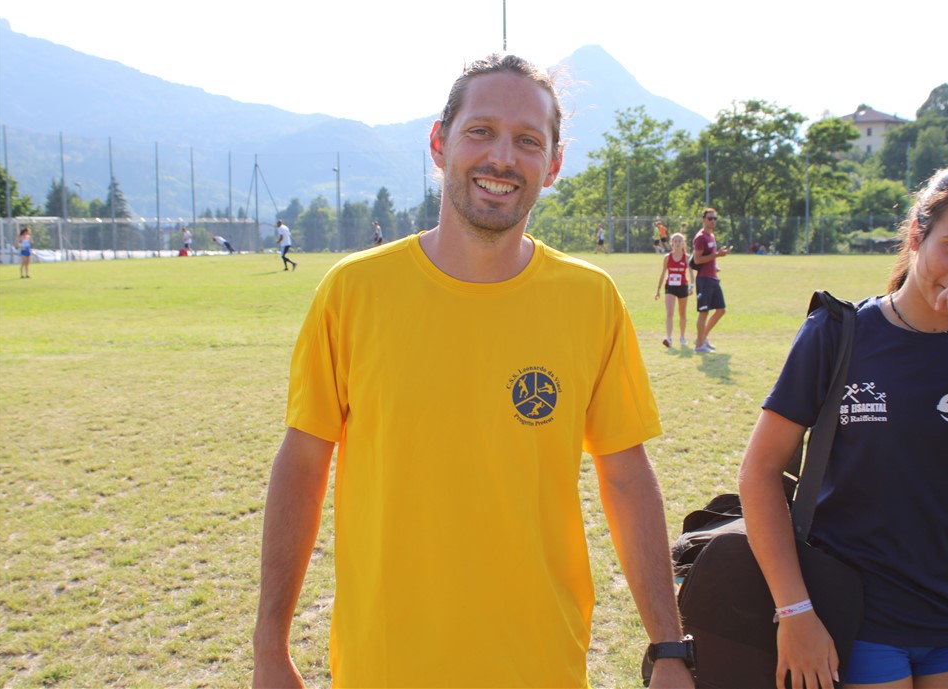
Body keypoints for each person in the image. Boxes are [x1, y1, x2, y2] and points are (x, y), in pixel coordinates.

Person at [252, 53, 692, 689]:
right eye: (481, 131)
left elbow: (626, 477)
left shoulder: (590, 300)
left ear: (554, 164)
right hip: (386, 665)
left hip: (539, 666)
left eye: (528, 140)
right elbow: (302, 463)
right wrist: (270, 648)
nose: (502, 158)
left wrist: (669, 648)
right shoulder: (354, 292)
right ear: (440, 143)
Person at [738, 164, 948, 689]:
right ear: (917, 234)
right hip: (853, 618)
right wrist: (795, 611)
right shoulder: (838, 333)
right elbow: (759, 473)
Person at [692, 208, 731, 353]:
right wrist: (717, 255)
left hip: (713, 277)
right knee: (704, 312)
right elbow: (697, 259)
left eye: (715, 219)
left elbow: (709, 258)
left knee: (721, 310)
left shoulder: (711, 236)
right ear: (704, 220)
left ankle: (702, 338)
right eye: (710, 218)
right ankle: (698, 346)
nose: (713, 221)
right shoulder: (701, 237)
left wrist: (715, 265)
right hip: (704, 279)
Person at [655, 232, 694, 347]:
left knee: (682, 314)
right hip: (670, 287)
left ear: (683, 244)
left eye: (679, 241)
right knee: (670, 313)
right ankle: (669, 338)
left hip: (682, 287)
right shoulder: (667, 258)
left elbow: (692, 275)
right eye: (675, 241)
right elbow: (663, 273)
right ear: (672, 243)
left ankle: (682, 337)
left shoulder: (687, 258)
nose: (677, 243)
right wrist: (658, 289)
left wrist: (692, 287)